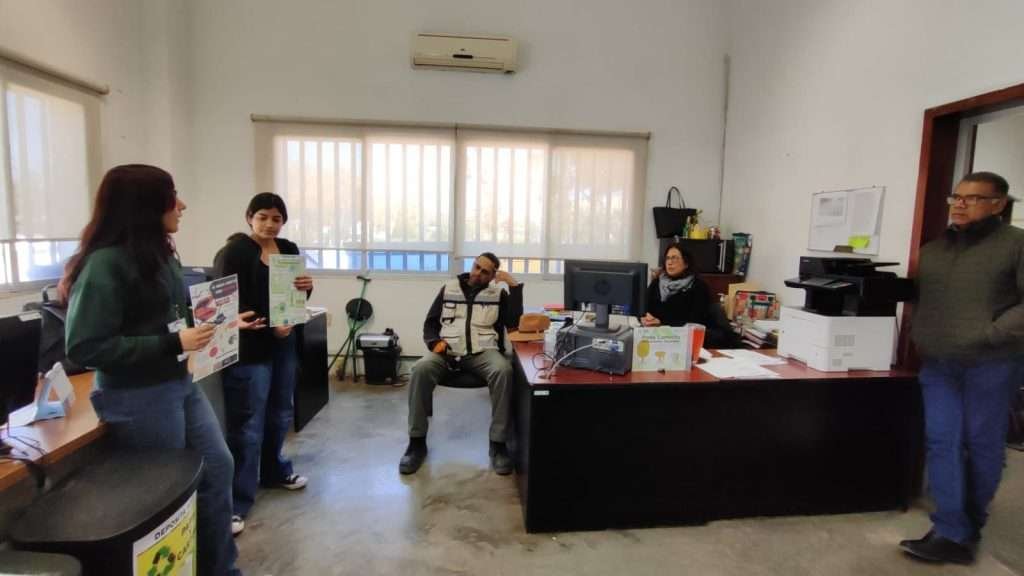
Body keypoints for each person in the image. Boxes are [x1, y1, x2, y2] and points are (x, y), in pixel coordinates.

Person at [62, 164, 251, 576]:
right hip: (138, 396)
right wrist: (173, 343)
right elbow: (85, 346)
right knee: (166, 496)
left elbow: (168, 319)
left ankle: (221, 568)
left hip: (178, 383)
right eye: (172, 196)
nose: (181, 205)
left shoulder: (159, 254)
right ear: (145, 205)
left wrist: (222, 324)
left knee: (218, 467)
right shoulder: (105, 264)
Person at [900, 171, 1024, 565]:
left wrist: (991, 333)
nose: (960, 204)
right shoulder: (934, 251)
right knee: (942, 441)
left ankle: (968, 526)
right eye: (956, 197)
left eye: (972, 198)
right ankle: (951, 530)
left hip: (991, 362)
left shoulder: (1016, 244)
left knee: (980, 444)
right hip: (939, 362)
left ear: (998, 204)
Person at [215, 193, 313, 537]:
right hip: (251, 348)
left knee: (281, 412)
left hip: (284, 344)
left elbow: (294, 297)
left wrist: (306, 288)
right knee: (248, 422)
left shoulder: (287, 249)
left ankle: (274, 471)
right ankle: (236, 501)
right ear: (249, 217)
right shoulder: (234, 252)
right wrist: (271, 323)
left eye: (276, 218)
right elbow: (227, 302)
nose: (270, 224)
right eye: (262, 217)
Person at [400, 252, 523, 476]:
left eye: (485, 271)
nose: (477, 273)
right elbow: (430, 323)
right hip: (447, 351)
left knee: (503, 371)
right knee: (420, 369)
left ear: (492, 276)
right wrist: (434, 342)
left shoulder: (498, 294)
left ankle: (498, 444)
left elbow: (515, 322)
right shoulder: (449, 288)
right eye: (476, 266)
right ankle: (416, 443)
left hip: (483, 352)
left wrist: (514, 287)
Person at [641, 243, 735, 348]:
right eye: (667, 258)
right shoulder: (656, 283)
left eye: (675, 258)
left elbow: (695, 322)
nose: (670, 262)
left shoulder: (698, 287)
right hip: (656, 338)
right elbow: (643, 308)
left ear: (686, 263)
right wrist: (645, 318)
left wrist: (662, 323)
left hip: (685, 341)